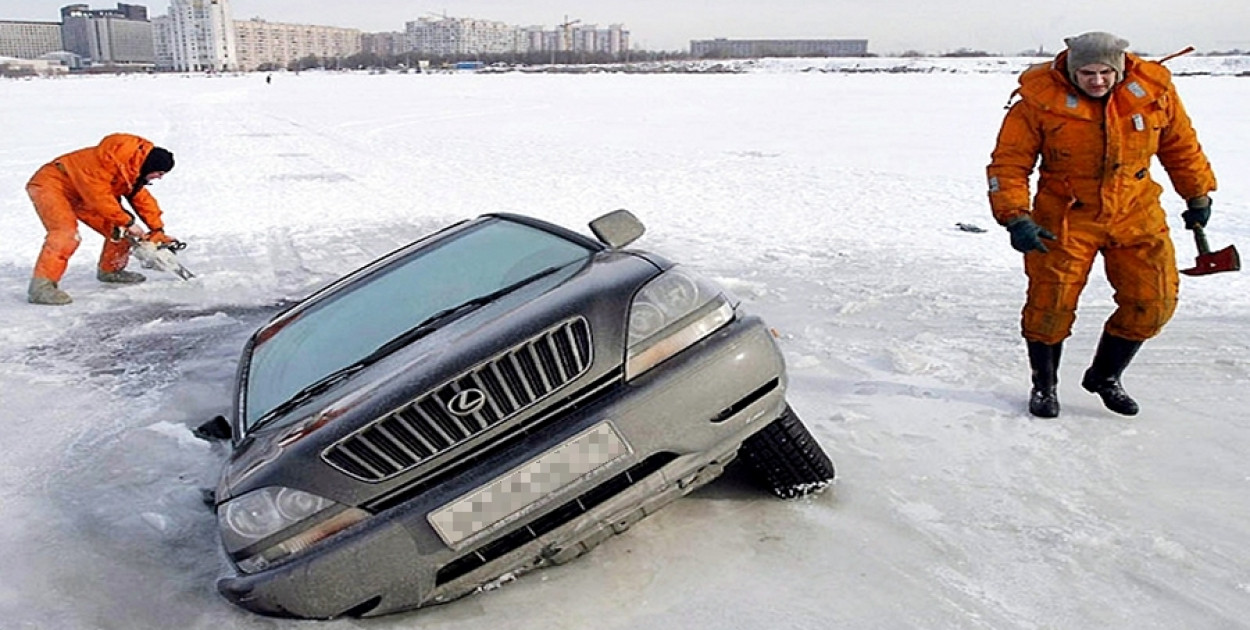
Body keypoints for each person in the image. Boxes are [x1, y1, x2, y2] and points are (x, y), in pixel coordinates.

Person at [986, 32, 1217, 418]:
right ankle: (1045, 385)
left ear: (1120, 67)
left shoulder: (1154, 93)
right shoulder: (1037, 103)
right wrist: (1015, 216)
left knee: (1154, 302)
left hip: (1136, 211)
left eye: (1105, 72)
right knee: (1050, 305)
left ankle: (1105, 376)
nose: (1097, 81)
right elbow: (1008, 164)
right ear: (1071, 70)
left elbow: (1182, 147)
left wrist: (1197, 196)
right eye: (1088, 73)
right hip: (1064, 216)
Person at [25, 133, 182, 305]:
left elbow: (142, 200)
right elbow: (99, 199)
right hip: (53, 185)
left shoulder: (131, 169)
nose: (159, 178)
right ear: (150, 166)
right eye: (159, 173)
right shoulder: (104, 163)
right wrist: (128, 222)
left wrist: (157, 230)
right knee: (66, 234)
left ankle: (111, 270)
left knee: (121, 232)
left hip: (85, 195)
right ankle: (41, 287)